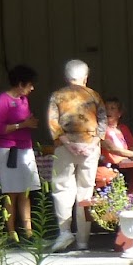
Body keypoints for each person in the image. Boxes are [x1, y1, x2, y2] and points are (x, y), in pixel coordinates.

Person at [46, 60, 105, 252]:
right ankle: (83, 241)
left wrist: (68, 143)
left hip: (64, 148)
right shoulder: (94, 95)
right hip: (90, 147)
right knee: (85, 192)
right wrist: (93, 143)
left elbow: (53, 122)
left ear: (66, 77)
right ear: (85, 78)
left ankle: (64, 232)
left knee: (63, 189)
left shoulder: (57, 96)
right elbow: (103, 121)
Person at [0, 65, 42, 239]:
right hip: (10, 149)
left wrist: (30, 123)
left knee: (25, 191)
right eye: (29, 84)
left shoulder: (23, 100)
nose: (32, 88)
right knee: (11, 192)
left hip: (25, 147)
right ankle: (11, 231)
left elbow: (25, 120)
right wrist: (22, 125)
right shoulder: (3, 100)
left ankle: (28, 231)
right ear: (20, 84)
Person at [101, 98, 133, 163]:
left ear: (119, 113)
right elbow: (112, 148)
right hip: (109, 166)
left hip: (125, 164)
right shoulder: (100, 129)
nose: (108, 111)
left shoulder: (123, 129)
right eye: (106, 108)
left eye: (112, 108)